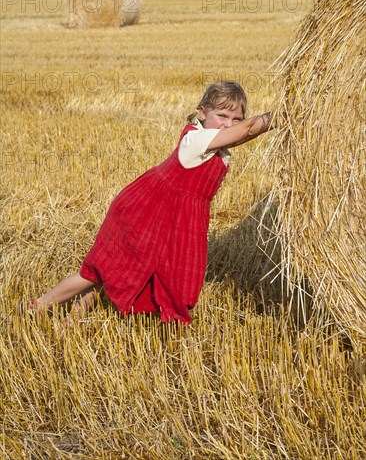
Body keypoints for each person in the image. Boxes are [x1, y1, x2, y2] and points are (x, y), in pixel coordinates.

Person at [32, 81, 272, 323]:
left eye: (236, 118)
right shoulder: (199, 140)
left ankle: (74, 318)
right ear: (202, 112)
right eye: (222, 115)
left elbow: (243, 133)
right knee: (97, 271)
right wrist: (291, 112)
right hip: (144, 211)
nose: (229, 124)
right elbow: (249, 130)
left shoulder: (218, 141)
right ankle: (40, 305)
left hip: (170, 218)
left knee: (121, 271)